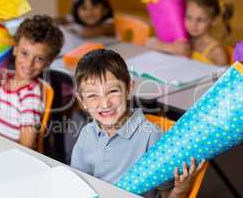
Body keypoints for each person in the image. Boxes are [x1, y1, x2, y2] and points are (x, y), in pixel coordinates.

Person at [70, 49, 206, 198]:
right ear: (81, 100)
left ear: (129, 89)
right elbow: (77, 184)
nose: (104, 103)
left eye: (113, 91)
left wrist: (180, 190)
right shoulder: (87, 133)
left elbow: (166, 195)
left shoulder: (151, 137)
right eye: (92, 95)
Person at [0, 15, 64, 149]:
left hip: (8, 155)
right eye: (25, 53)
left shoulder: (30, 97)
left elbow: (26, 146)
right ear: (15, 48)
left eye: (39, 58)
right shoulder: (4, 77)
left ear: (48, 62)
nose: (29, 63)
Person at [147, 0, 233, 66]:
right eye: (189, 17)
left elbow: (222, 83)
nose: (193, 25)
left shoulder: (217, 52)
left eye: (200, 20)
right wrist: (172, 48)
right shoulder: (183, 39)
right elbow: (149, 42)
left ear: (214, 20)